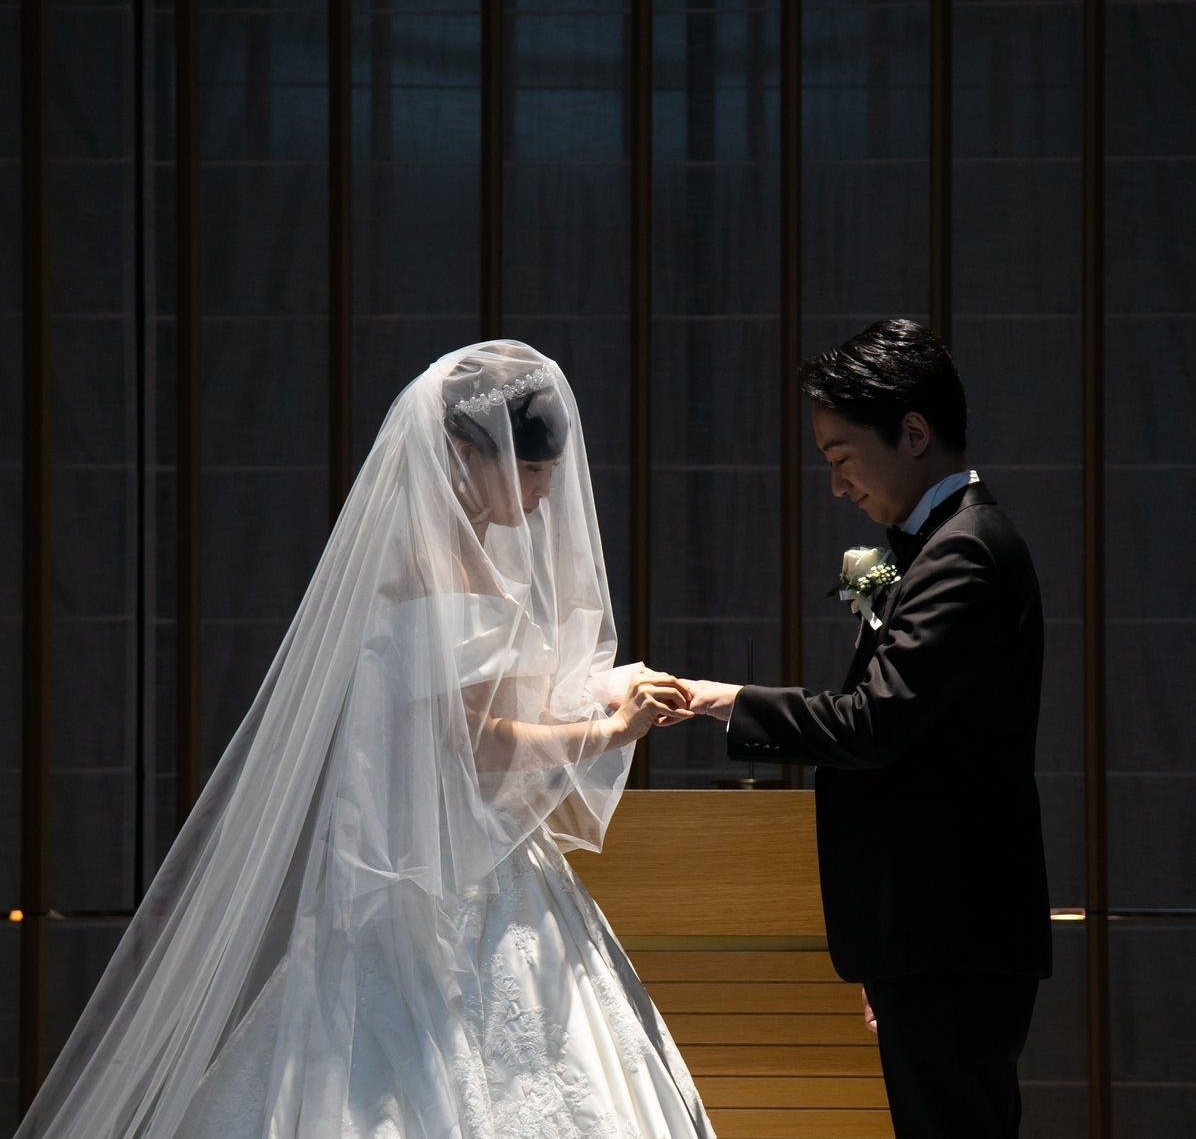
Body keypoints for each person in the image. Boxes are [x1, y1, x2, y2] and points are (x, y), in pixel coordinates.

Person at [17, 341, 715, 1139]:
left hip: (456, 851)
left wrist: (602, 686)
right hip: (447, 870)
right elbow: (474, 743)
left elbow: (475, 706)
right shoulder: (437, 566)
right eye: (529, 469)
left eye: (548, 470)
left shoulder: (449, 556)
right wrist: (609, 730)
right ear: (465, 456)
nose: (544, 489)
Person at [681, 320, 1051, 1139]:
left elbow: (874, 722)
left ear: (913, 434)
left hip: (950, 932)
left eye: (842, 457)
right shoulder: (936, 548)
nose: (837, 485)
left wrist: (721, 699)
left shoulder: (964, 552)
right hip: (930, 929)